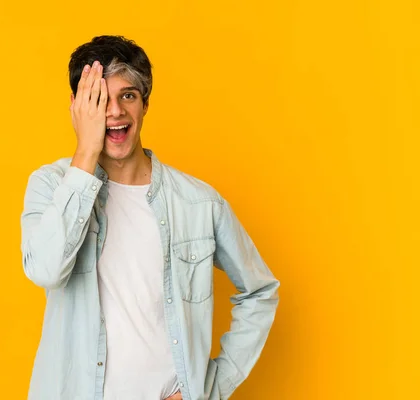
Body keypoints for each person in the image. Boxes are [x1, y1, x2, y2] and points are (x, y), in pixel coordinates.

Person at [20, 35, 280, 400]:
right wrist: (85, 153)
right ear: (76, 107)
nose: (114, 112)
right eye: (98, 99)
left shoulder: (198, 203)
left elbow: (260, 291)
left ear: (145, 104)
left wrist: (208, 388)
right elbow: (45, 269)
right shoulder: (51, 186)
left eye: (127, 95)